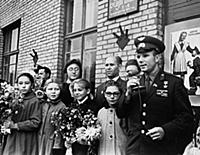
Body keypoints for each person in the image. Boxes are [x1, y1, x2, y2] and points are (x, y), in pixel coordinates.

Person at [116, 35, 194, 155]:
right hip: (136, 149)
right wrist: (127, 94)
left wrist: (165, 130)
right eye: (138, 56)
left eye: (145, 56)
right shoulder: (133, 83)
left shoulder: (174, 83)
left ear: (157, 58)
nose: (140, 60)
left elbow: (186, 118)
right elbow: (121, 113)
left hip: (161, 149)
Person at [2, 72, 42, 155]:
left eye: (27, 83)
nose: (23, 86)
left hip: (25, 138)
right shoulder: (14, 100)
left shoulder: (34, 101)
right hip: (12, 136)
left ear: (32, 85)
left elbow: (35, 122)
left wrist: (16, 125)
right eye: (20, 83)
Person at [97, 80, 127, 155]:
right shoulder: (101, 112)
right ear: (104, 94)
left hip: (121, 150)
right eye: (109, 94)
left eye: (116, 94)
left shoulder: (125, 111)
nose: (112, 97)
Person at [38, 79, 66, 155]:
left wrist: (57, 144)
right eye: (50, 89)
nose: (53, 92)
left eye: (56, 89)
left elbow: (60, 128)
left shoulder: (62, 106)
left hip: (51, 140)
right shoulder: (42, 104)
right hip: (38, 139)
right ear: (45, 91)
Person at [69, 78, 96, 155]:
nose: (76, 93)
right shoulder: (72, 106)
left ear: (87, 91)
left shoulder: (93, 106)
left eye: (79, 90)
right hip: (73, 142)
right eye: (75, 90)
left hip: (87, 143)